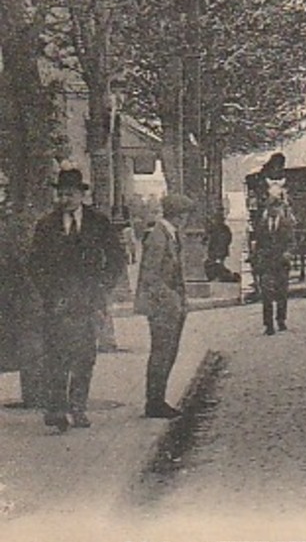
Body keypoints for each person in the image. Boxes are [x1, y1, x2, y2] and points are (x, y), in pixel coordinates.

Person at [29, 168, 126, 431]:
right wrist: (48, 293)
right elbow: (35, 263)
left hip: (88, 299)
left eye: (70, 194)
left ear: (82, 195)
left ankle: (78, 408)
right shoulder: (47, 224)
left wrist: (103, 286)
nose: (65, 200)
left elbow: (117, 258)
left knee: (84, 356)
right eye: (61, 194)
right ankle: (57, 409)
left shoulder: (98, 222)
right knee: (55, 356)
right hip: (57, 301)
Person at [136, 192, 193, 419]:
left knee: (168, 352)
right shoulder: (159, 237)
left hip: (172, 306)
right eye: (186, 215)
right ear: (179, 216)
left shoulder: (170, 234)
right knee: (162, 353)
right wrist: (171, 300)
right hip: (161, 306)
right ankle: (154, 402)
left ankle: (158, 400)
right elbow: (150, 276)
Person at [253, 192, 296, 335]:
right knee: (266, 293)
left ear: (279, 209)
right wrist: (257, 258)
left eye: (276, 207)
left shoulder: (286, 223)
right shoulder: (262, 224)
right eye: (271, 207)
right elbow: (258, 243)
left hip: (281, 262)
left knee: (282, 293)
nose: (273, 210)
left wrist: (288, 252)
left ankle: (281, 319)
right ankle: (268, 324)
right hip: (266, 262)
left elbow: (292, 242)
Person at [204, 208, 239, 283]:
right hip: (218, 252)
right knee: (217, 264)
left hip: (218, 252)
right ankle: (225, 276)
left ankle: (226, 276)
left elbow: (225, 240)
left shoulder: (221, 229)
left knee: (217, 264)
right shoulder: (221, 229)